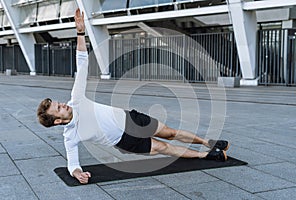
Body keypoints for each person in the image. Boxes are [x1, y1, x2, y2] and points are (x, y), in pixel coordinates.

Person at [37, 9, 229, 184]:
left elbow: (82, 64)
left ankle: (208, 142)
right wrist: (77, 173)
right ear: (56, 121)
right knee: (163, 148)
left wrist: (80, 33)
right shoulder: (70, 136)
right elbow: (73, 162)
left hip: (130, 119)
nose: (63, 105)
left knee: (170, 133)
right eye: (58, 108)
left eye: (58, 103)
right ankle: (205, 155)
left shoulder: (76, 99)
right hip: (125, 141)